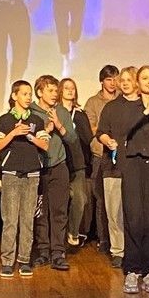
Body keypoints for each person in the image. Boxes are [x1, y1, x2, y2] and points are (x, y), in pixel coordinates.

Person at [97, 65, 149, 294]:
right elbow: (123, 130)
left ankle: (148, 269)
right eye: (145, 78)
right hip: (133, 166)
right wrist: (144, 110)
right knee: (134, 217)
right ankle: (132, 270)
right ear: (138, 82)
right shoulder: (130, 106)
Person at [0, 80, 50, 278]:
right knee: (10, 219)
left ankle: (24, 260)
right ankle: (7, 261)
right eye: (24, 94)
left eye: (29, 94)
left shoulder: (37, 120)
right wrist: (14, 133)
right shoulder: (4, 120)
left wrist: (30, 136)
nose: (28, 97)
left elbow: (45, 145)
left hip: (32, 174)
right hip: (11, 174)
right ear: (14, 96)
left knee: (27, 219)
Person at [29, 74, 77, 270]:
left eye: (56, 91)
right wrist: (45, 131)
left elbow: (72, 139)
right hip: (37, 168)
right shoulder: (30, 112)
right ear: (40, 92)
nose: (54, 94)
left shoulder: (62, 111)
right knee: (40, 212)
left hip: (59, 167)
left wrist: (58, 125)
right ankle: (43, 251)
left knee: (59, 211)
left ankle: (58, 252)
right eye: (50, 90)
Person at [84, 65, 119, 263]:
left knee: (118, 200)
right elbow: (92, 128)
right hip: (100, 155)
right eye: (109, 79)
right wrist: (109, 130)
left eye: (115, 79)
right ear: (102, 81)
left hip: (121, 156)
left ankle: (118, 240)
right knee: (101, 199)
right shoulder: (93, 102)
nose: (112, 83)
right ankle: (103, 239)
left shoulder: (123, 100)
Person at [59, 77, 93, 247]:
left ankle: (73, 231)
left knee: (80, 199)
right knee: (60, 201)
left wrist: (78, 123)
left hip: (77, 161)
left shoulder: (79, 114)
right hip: (60, 161)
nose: (70, 90)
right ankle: (58, 236)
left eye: (72, 88)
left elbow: (88, 138)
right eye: (66, 88)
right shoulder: (55, 112)